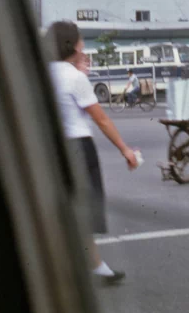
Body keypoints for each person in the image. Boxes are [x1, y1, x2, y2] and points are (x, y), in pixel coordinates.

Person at [45, 21, 140, 284]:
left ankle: (95, 266)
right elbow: (102, 120)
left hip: (52, 149)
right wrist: (125, 150)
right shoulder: (75, 78)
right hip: (78, 148)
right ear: (71, 45)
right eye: (80, 41)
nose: (83, 45)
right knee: (83, 211)